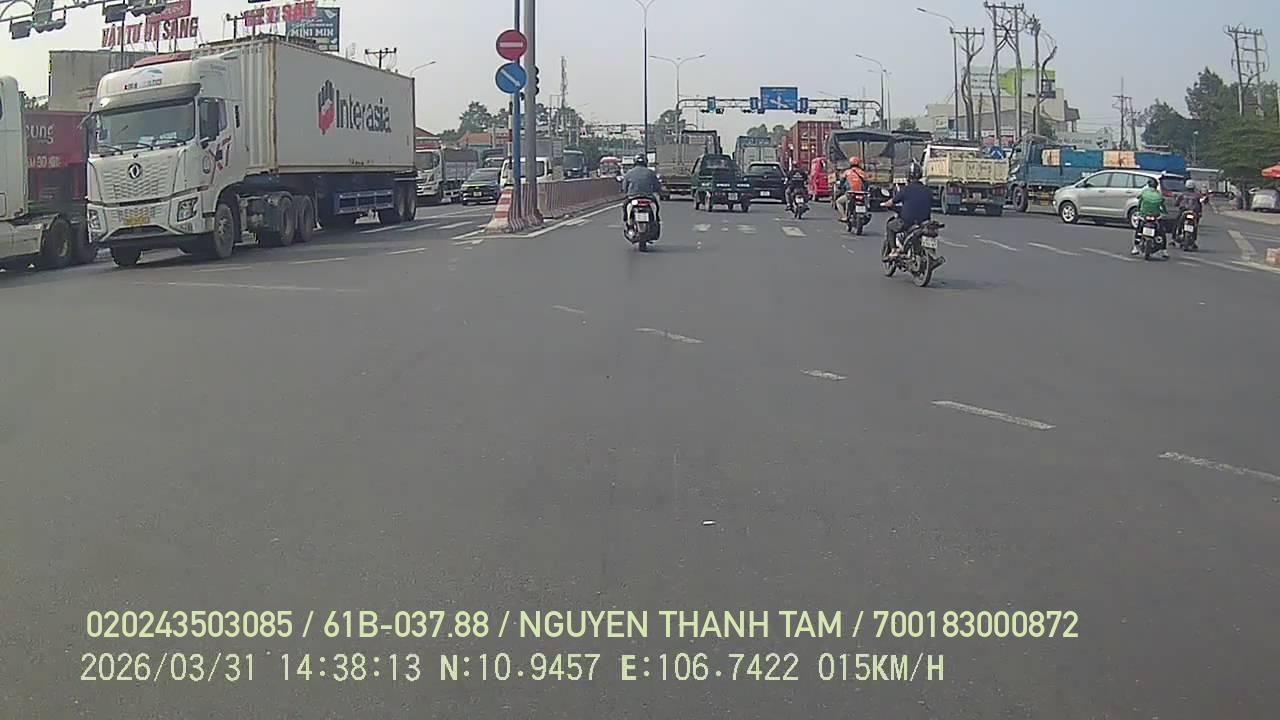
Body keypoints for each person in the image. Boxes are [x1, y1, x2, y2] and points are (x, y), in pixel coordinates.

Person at [881, 162, 932, 259]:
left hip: (908, 222)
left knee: (890, 226)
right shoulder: (927, 190)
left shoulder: (905, 189)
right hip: (925, 222)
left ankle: (894, 250)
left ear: (908, 175)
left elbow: (892, 202)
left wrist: (884, 204)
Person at [1132, 177, 1169, 258]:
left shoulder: (1144, 193)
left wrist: (1139, 210)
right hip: (1155, 216)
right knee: (1161, 232)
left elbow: (1139, 203)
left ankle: (1135, 247)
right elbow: (1162, 206)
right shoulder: (1159, 195)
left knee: (1139, 230)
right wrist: (1164, 212)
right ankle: (1164, 250)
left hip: (1144, 215)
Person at [621, 154, 662, 226]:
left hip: (633, 196)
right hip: (648, 196)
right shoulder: (650, 172)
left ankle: (626, 219)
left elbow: (624, 187)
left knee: (625, 205)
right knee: (656, 205)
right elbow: (656, 186)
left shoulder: (629, 173)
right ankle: (656, 218)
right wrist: (657, 191)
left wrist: (625, 192)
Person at [834, 157, 869, 222]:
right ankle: (866, 214)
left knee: (838, 202)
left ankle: (844, 216)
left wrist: (840, 187)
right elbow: (867, 183)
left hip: (850, 193)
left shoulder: (847, 172)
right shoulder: (862, 172)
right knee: (866, 201)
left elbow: (841, 182)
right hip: (862, 193)